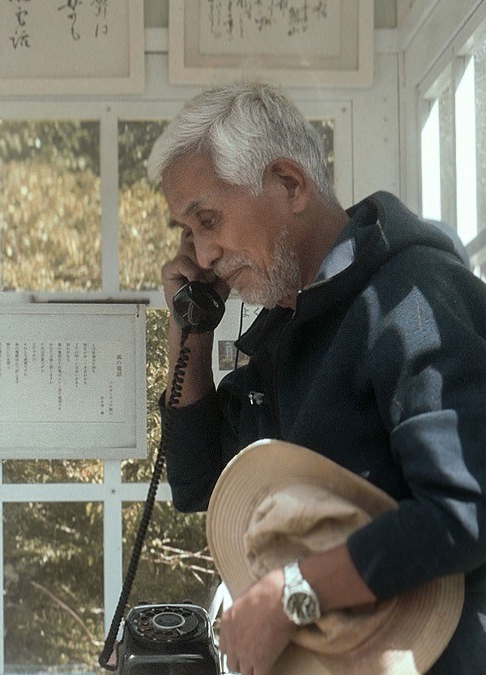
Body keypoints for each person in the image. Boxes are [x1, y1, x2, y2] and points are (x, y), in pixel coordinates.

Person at [150, 82, 486, 674]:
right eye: (188, 230)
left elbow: (462, 512)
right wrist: (190, 333)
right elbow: (199, 483)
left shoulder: (409, 300)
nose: (201, 255)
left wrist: (288, 598)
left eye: (208, 218)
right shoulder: (292, 328)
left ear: (290, 183)